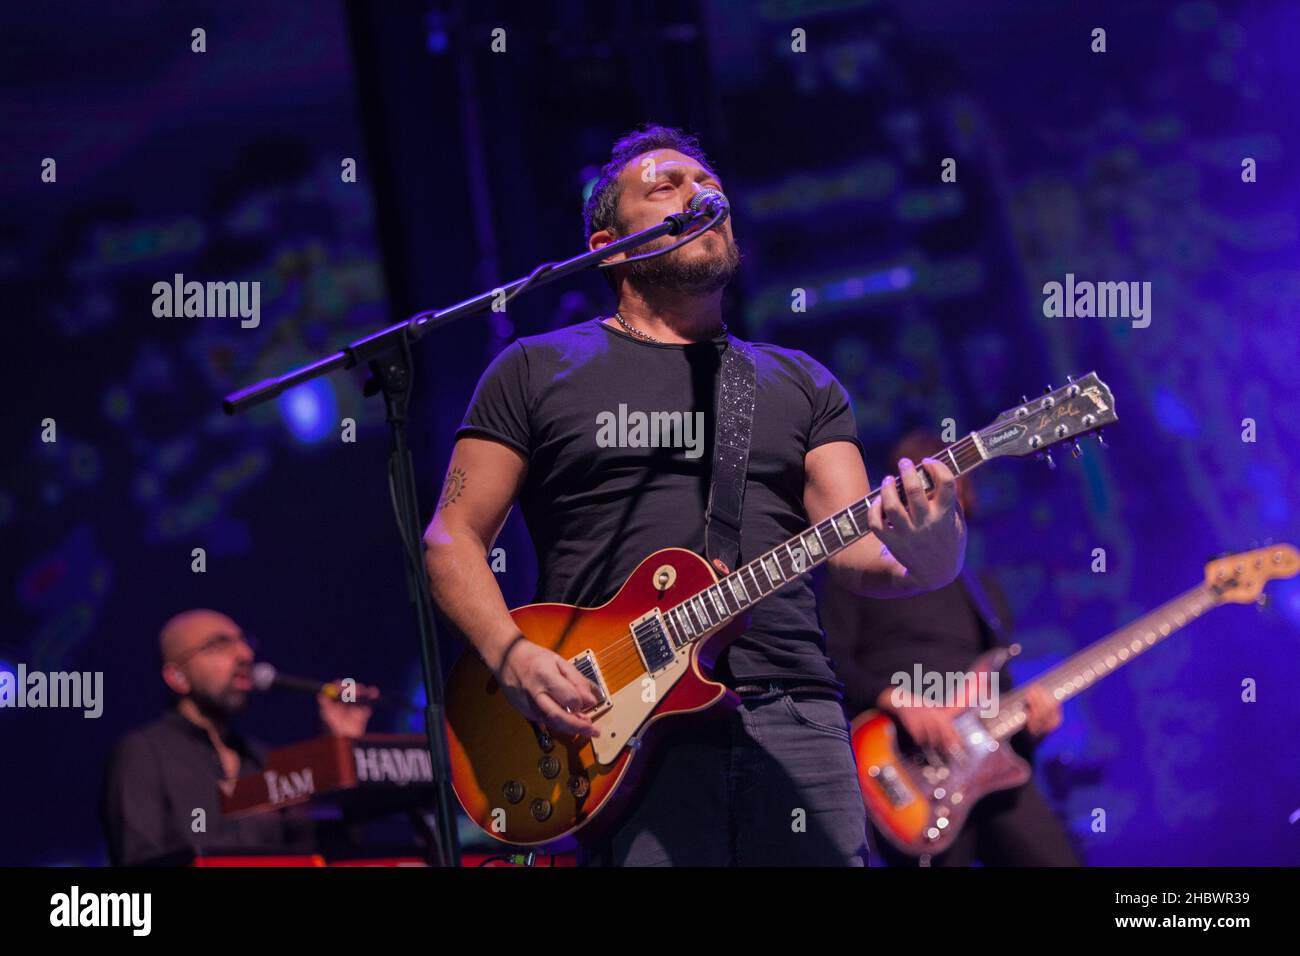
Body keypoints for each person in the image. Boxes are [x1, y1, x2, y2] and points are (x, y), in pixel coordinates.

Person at [423, 125, 967, 866]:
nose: (700, 195)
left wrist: (933, 541)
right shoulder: (533, 370)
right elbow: (452, 537)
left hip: (794, 714)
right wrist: (511, 654)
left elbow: (864, 556)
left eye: (709, 186)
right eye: (667, 186)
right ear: (609, 246)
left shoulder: (801, 382)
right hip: (615, 728)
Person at [821, 430, 1080, 866]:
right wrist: (898, 701)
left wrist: (1032, 725)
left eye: (951, 481)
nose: (941, 493)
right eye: (924, 482)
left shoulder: (986, 593)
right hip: (903, 769)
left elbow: (999, 693)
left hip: (989, 769)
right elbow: (829, 662)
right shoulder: (856, 575)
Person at [101, 608, 374, 865]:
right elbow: (138, 860)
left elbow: (326, 852)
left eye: (244, 642)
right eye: (219, 645)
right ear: (177, 677)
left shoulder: (264, 759)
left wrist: (339, 748)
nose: (244, 654)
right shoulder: (144, 751)